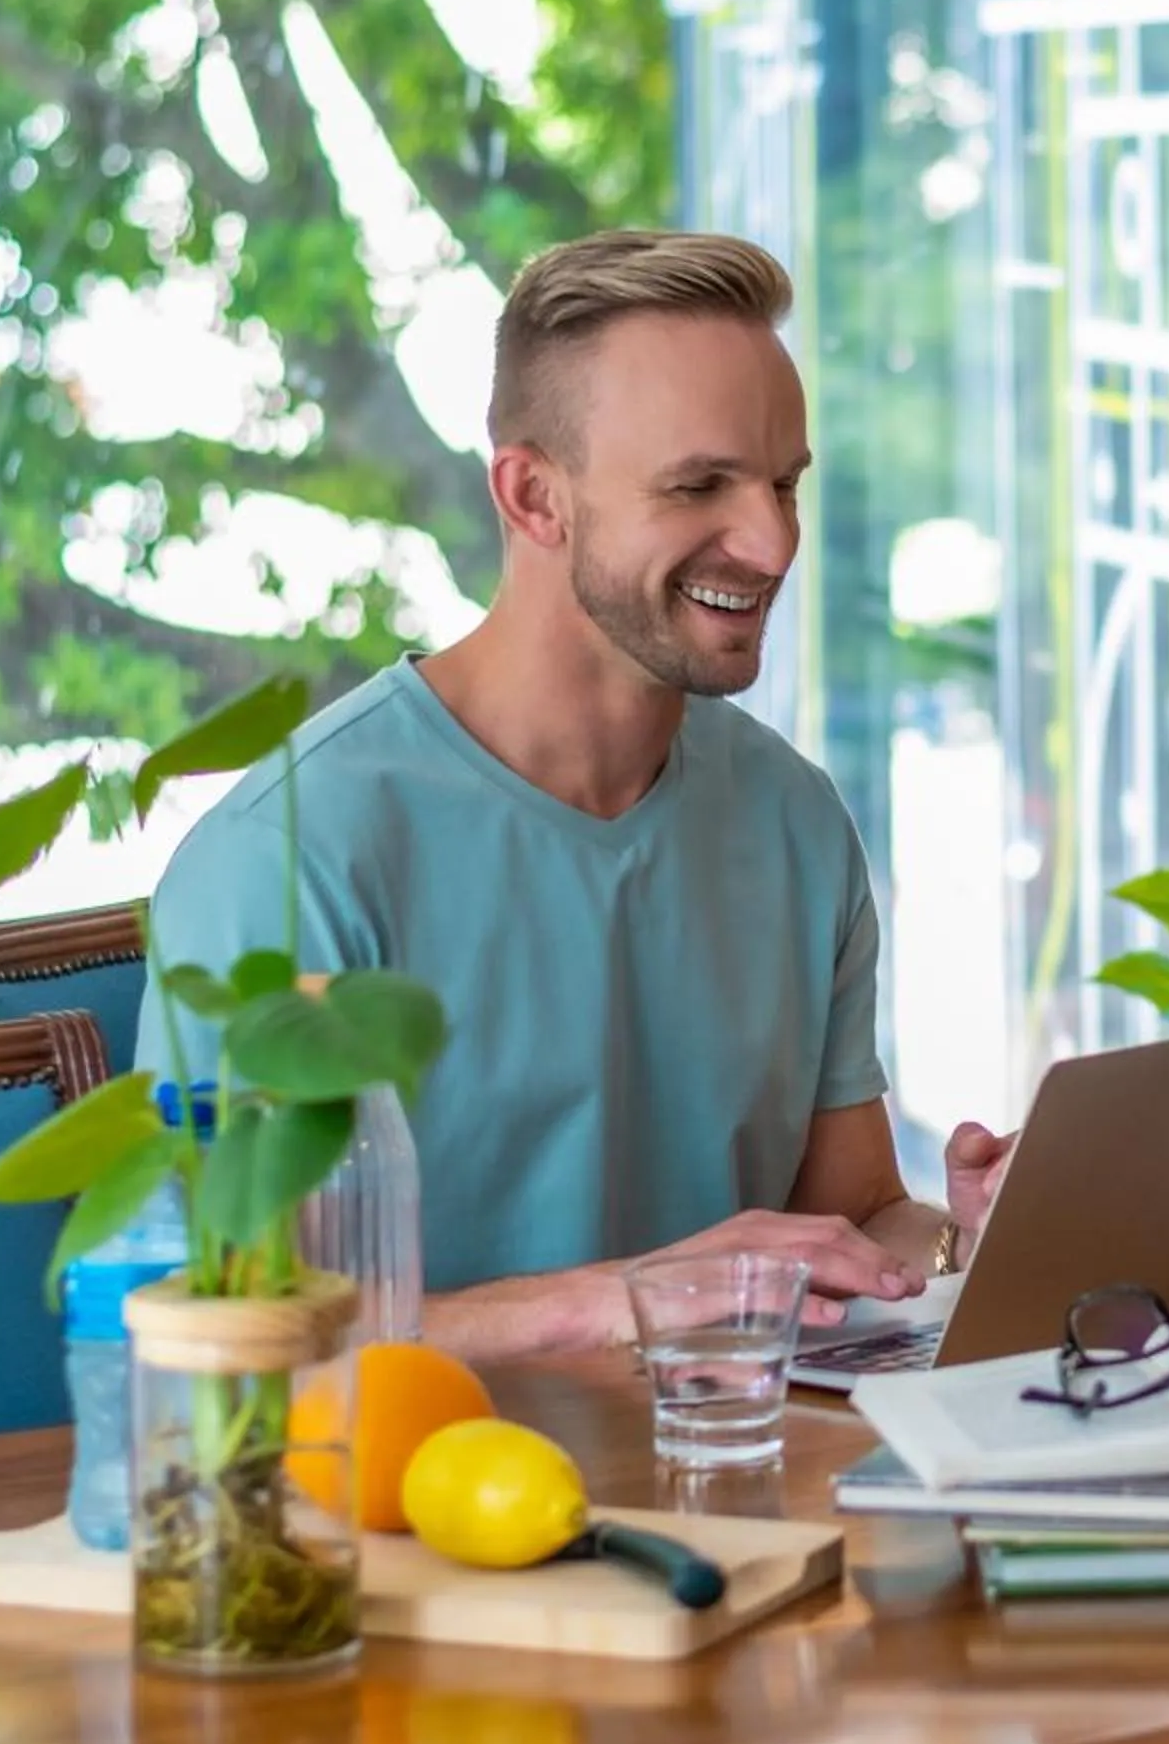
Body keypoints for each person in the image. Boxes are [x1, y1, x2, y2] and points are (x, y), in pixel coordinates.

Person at [143, 230, 1012, 1364]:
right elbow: (224, 1335)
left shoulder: (795, 824)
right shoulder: (293, 857)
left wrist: (967, 1238)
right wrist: (618, 1300)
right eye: (699, 484)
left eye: (784, 483)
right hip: (417, 1512)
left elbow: (852, 1222)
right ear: (534, 495)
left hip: (740, 1483)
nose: (770, 540)